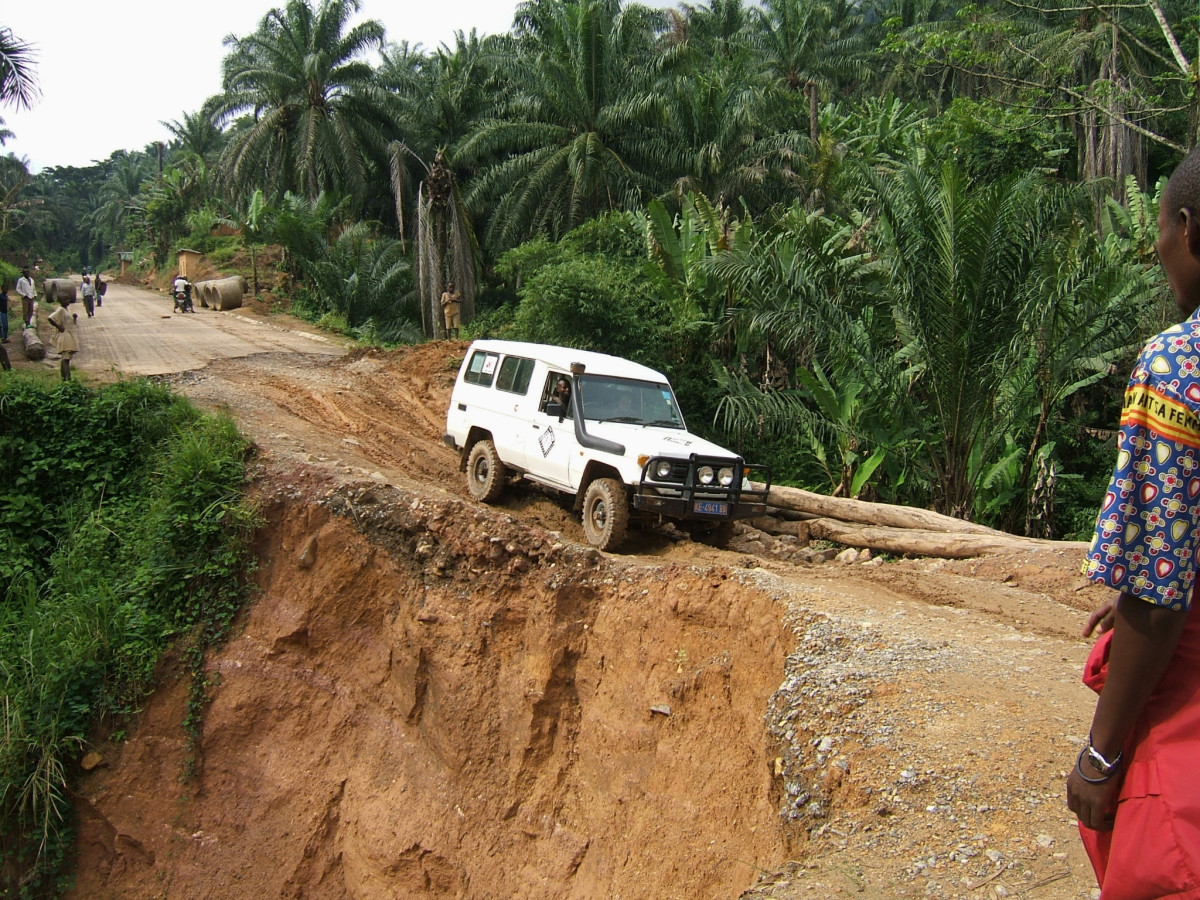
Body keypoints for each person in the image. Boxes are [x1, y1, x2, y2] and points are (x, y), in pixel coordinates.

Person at [1069, 147, 1200, 899]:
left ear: (1186, 228)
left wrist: (1103, 755)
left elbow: (1162, 589)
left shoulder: (1179, 366)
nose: (1156, 250)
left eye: (1158, 227)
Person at [47, 295, 79, 381]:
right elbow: (50, 318)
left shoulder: (67, 309)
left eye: (68, 299)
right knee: (66, 358)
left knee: (66, 358)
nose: (68, 301)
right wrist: (59, 327)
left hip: (70, 334)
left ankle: (64, 379)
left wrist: (74, 318)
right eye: (65, 299)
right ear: (61, 301)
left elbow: (69, 321)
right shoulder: (60, 309)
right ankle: (68, 379)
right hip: (65, 335)